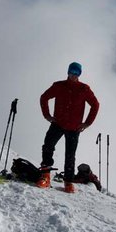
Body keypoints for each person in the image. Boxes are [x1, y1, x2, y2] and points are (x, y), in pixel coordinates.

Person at [37, 62, 100, 193]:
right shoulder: (58, 86)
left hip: (74, 128)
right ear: (68, 72)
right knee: (48, 146)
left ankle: (68, 182)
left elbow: (95, 105)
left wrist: (87, 123)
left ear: (80, 74)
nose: (73, 75)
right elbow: (44, 98)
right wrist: (47, 115)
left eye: (76, 73)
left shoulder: (84, 89)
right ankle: (46, 176)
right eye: (72, 72)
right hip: (58, 124)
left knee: (70, 155)